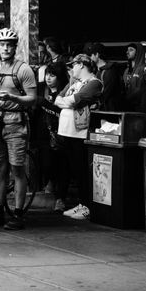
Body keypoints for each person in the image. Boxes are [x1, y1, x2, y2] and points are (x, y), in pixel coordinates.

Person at [0, 26, 37, 231]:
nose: (5, 48)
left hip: (16, 123)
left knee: (17, 169)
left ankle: (18, 213)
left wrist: (13, 97)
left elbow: (32, 99)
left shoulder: (23, 69)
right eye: (2, 45)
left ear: (15, 47)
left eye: (9, 45)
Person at [55, 53, 102, 220]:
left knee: (82, 171)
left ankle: (87, 205)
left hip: (79, 134)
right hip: (67, 132)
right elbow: (57, 99)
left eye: (73, 65)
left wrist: (65, 101)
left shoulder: (94, 83)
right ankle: (81, 204)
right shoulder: (74, 83)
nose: (71, 68)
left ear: (81, 65)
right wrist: (65, 100)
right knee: (72, 169)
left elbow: (74, 100)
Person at [36, 60, 69, 212]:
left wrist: (45, 104)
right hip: (43, 134)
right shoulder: (41, 89)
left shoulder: (65, 92)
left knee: (61, 166)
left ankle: (60, 198)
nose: (48, 78)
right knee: (46, 163)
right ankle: (49, 183)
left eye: (53, 75)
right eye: (47, 74)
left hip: (60, 134)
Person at [90, 42, 123, 111]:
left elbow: (106, 93)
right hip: (103, 108)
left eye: (91, 55)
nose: (90, 58)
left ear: (97, 55)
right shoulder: (99, 71)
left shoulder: (110, 71)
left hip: (110, 110)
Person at [123, 42, 146, 109]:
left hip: (140, 107)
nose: (127, 52)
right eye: (127, 50)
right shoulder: (126, 70)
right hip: (127, 106)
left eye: (131, 50)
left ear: (138, 52)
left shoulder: (143, 69)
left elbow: (142, 89)